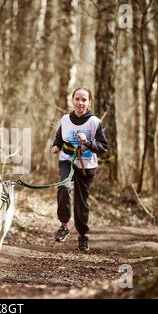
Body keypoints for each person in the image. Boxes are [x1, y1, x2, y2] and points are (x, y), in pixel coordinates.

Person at [50, 87, 109, 251]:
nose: (80, 102)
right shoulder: (65, 119)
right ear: (72, 100)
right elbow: (59, 138)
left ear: (90, 102)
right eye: (77, 99)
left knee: (81, 201)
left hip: (87, 163)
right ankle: (64, 226)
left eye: (84, 100)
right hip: (67, 160)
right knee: (63, 186)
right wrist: (56, 146)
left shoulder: (94, 122)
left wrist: (88, 143)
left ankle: (83, 235)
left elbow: (103, 147)